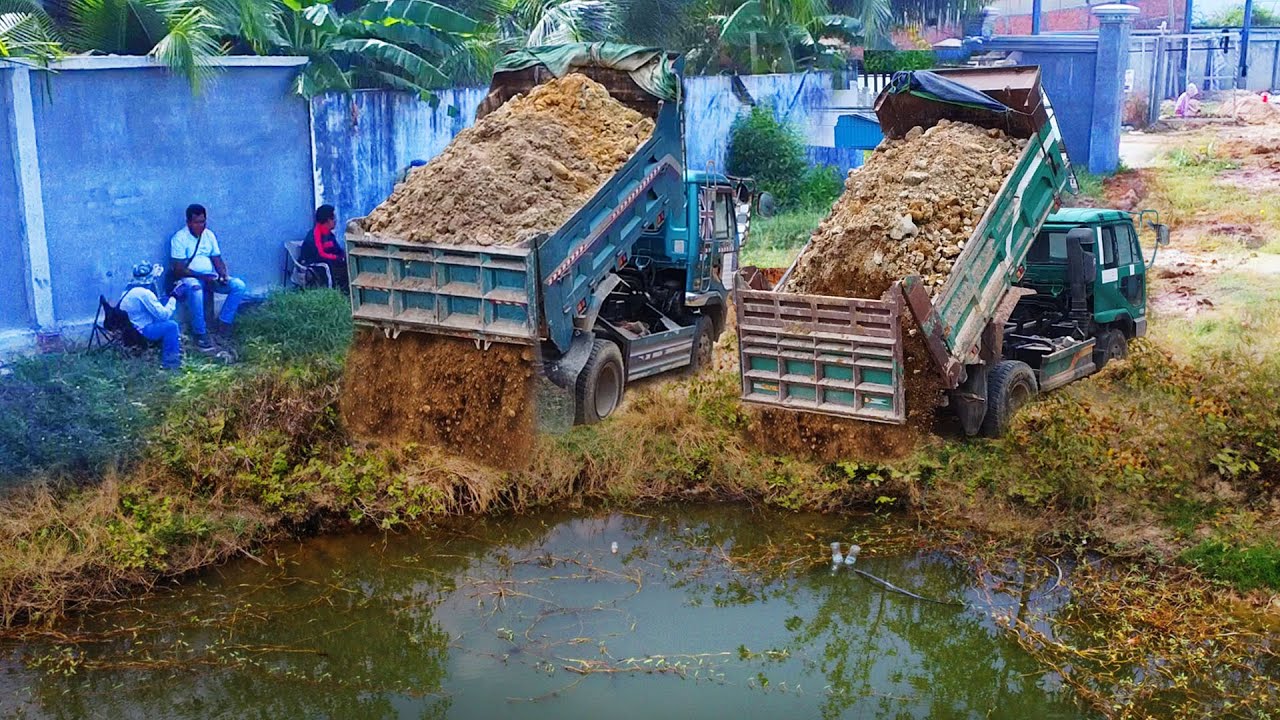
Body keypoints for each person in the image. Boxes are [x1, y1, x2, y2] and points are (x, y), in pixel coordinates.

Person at [170, 204, 247, 350]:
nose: (200, 226)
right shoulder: (179, 238)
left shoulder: (209, 235)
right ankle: (200, 333)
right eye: (196, 222)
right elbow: (179, 269)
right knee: (196, 289)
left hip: (209, 278)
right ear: (188, 222)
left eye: (203, 222)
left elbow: (217, 259)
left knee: (238, 286)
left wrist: (223, 274)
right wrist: (202, 276)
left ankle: (224, 324)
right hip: (190, 278)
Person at [119, 262, 183, 370]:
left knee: (164, 304)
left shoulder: (128, 289)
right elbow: (164, 315)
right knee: (172, 326)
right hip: (141, 331)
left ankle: (168, 348)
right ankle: (171, 363)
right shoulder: (144, 293)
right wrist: (174, 297)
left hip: (130, 328)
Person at [301, 204, 349, 291]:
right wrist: (336, 258)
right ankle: (332, 291)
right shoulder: (314, 235)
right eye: (333, 218)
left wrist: (343, 256)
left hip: (328, 260)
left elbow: (337, 250)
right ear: (327, 220)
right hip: (315, 263)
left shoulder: (329, 234)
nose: (335, 221)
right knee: (328, 265)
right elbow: (320, 255)